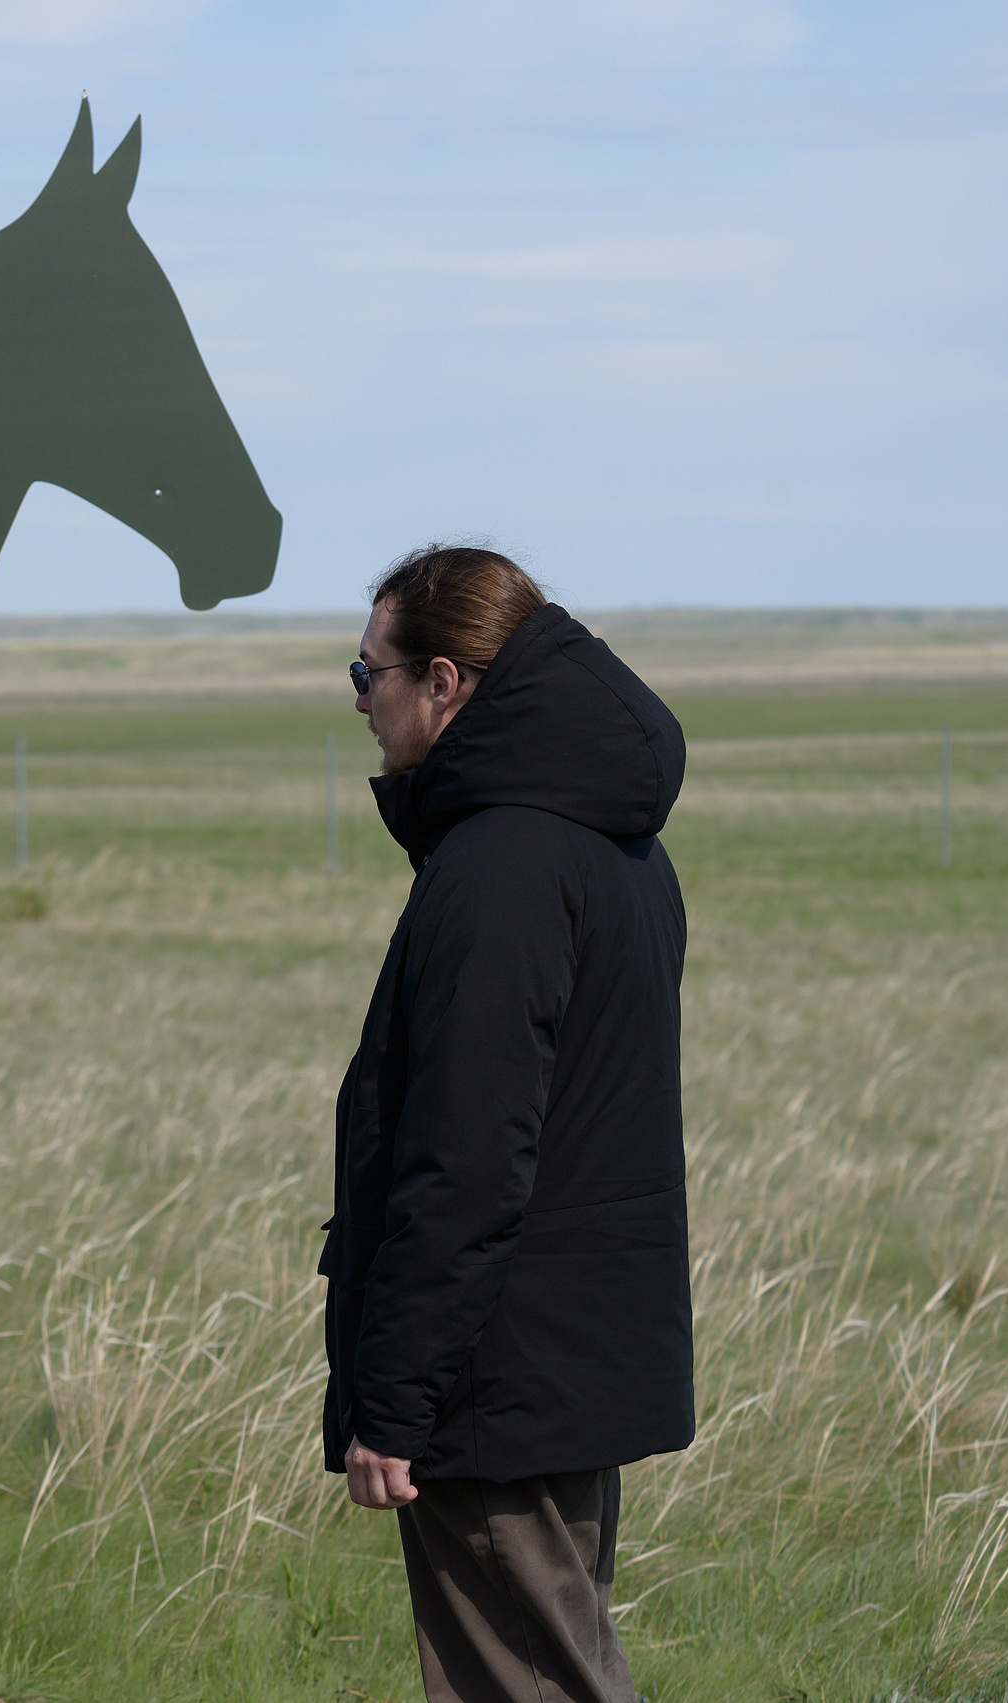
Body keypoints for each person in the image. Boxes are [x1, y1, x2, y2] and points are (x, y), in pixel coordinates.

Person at [322, 545, 693, 1703]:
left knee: (529, 1684)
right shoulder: (612, 844)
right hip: (565, 1359)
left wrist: (396, 1401)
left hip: (495, 1378)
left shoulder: (498, 865)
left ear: (445, 681)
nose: (359, 700)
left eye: (366, 671)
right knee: (560, 1662)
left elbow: (468, 1159)